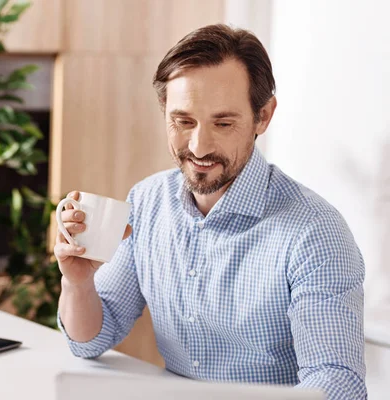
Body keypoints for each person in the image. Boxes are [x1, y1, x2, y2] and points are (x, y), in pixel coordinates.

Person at [54, 24, 366, 400]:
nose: (199, 147)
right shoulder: (147, 201)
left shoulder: (314, 232)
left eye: (223, 123)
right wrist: (77, 282)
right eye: (183, 122)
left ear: (263, 117)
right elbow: (90, 340)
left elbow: (337, 382)